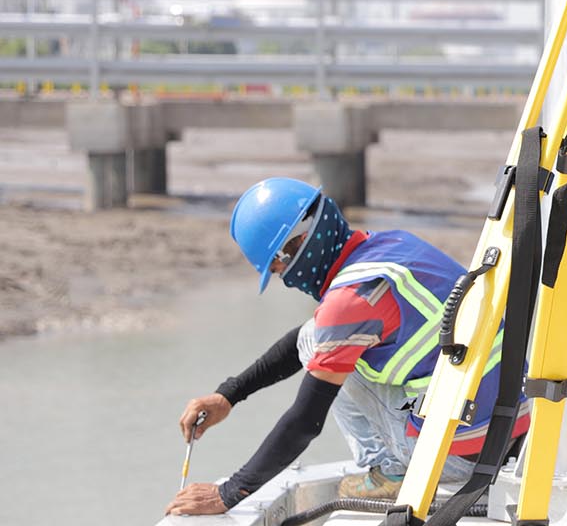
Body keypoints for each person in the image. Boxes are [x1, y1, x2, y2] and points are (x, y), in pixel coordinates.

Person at [164, 177, 529, 516]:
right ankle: (395, 464)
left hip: (462, 455)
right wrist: (228, 395)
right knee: (319, 341)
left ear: (292, 253)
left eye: (277, 271)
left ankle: (389, 472)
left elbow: (305, 421)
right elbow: (301, 341)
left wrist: (230, 492)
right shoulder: (391, 245)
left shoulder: (349, 303)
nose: (286, 281)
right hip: (510, 426)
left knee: (329, 350)